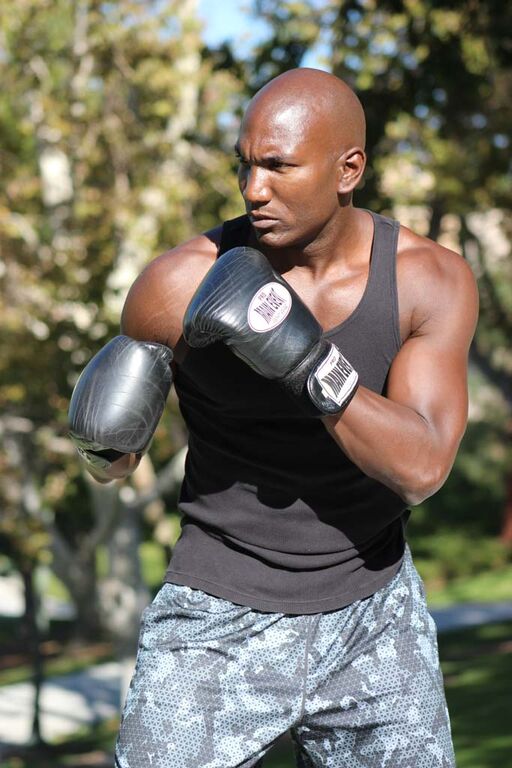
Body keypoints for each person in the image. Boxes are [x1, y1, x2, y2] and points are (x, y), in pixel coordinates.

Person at [68, 68, 478, 767]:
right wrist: (103, 445)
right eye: (245, 165)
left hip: (373, 612)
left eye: (279, 166)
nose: (254, 189)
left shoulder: (426, 279)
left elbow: (422, 467)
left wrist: (307, 358)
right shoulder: (176, 285)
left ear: (349, 169)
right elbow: (112, 465)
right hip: (214, 614)